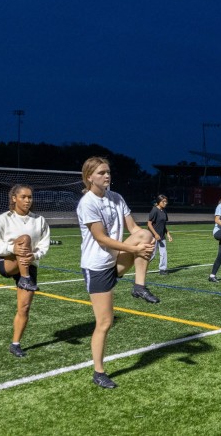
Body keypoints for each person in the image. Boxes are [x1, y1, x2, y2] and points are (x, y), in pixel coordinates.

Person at [77, 156, 157, 389]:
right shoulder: (88, 203)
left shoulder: (116, 198)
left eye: (108, 172)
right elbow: (101, 238)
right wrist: (134, 248)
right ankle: (98, 372)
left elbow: (133, 228)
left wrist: (146, 243)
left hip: (115, 260)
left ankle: (139, 286)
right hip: (97, 266)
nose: (107, 176)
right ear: (89, 177)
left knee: (145, 235)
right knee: (105, 322)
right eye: (101, 173)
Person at [0, 184, 51, 358]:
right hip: (6, 262)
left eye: (30, 197)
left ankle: (15, 344)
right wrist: (12, 249)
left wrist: (35, 256)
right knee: (24, 239)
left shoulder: (39, 220)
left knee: (24, 307)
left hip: (28, 264)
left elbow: (44, 246)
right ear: (14, 198)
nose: (27, 200)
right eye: (23, 197)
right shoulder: (4, 219)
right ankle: (25, 277)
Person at [147, 194, 173, 275]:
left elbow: (163, 224)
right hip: (153, 236)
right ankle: (142, 266)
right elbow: (149, 224)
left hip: (162, 236)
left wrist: (168, 234)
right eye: (163, 201)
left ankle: (162, 269)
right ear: (159, 202)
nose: (166, 203)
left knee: (163, 253)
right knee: (152, 254)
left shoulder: (164, 211)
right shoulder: (154, 210)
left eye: (166, 201)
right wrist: (155, 234)